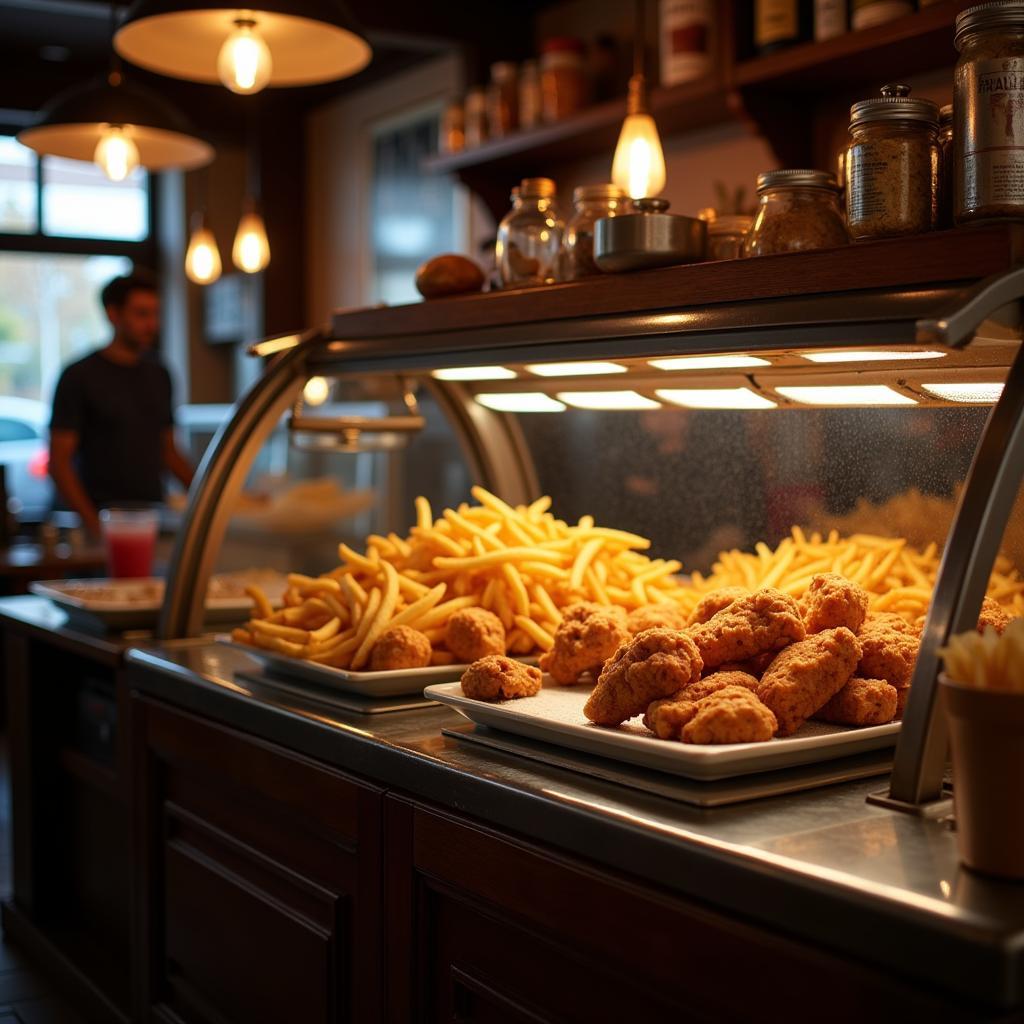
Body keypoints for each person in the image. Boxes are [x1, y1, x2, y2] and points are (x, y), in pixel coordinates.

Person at [49, 271, 193, 537]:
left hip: (151, 519)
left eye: (155, 314)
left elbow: (168, 451)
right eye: (141, 314)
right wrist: (94, 525)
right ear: (113, 314)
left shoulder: (160, 373)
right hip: (98, 522)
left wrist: (207, 496)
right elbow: (59, 463)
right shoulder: (79, 376)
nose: (152, 324)